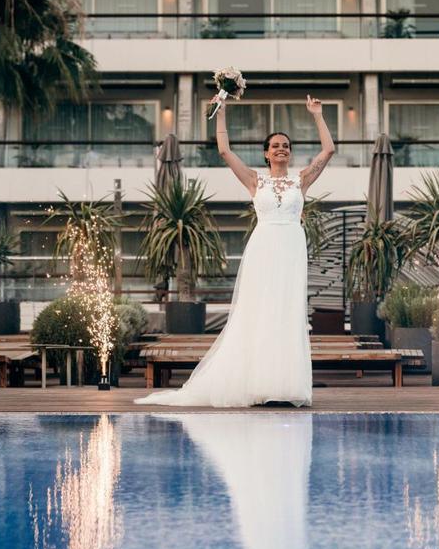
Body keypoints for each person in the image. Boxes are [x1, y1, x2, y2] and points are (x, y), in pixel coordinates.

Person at [135, 95, 334, 407]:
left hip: (292, 251)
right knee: (260, 313)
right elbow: (225, 151)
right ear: (267, 154)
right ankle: (257, 385)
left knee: (287, 312)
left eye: (285, 145)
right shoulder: (255, 181)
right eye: (275, 146)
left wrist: (318, 115)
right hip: (264, 248)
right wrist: (222, 112)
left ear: (289, 153)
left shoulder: (302, 180)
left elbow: (329, 150)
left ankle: (285, 386)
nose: (281, 149)